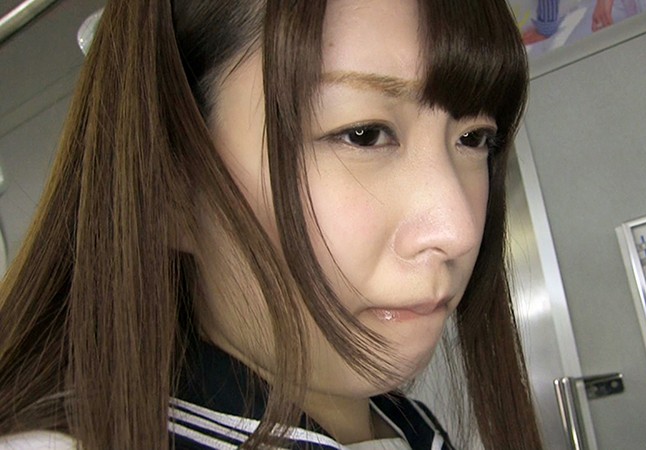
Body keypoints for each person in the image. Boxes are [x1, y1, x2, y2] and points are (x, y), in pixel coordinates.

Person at [0, 0, 540, 449]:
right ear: (169, 186)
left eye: (474, 139)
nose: (458, 230)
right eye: (363, 134)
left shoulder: (409, 426)